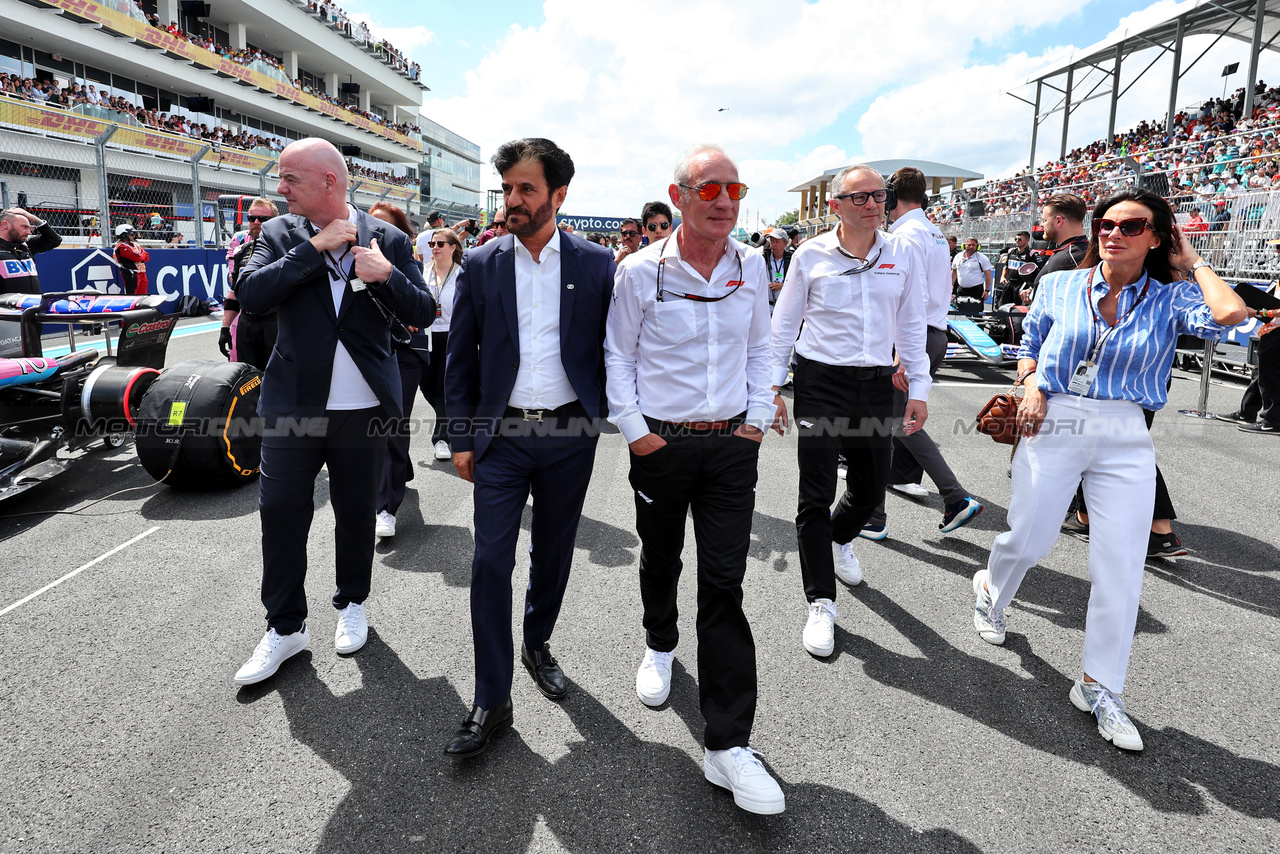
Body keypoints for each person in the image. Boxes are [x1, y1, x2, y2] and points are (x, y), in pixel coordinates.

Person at [973, 187, 1245, 752]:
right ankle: (991, 590)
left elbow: (1231, 315)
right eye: (1106, 223)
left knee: (1120, 564)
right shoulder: (1059, 284)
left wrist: (1191, 261)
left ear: (1157, 236)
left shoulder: (1170, 299)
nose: (1113, 233)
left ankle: (1100, 686)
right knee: (1031, 535)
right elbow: (1030, 344)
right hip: (1055, 416)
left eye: (1131, 225)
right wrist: (1028, 385)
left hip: (1125, 431)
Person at [605, 143, 784, 815]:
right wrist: (636, 432)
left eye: (735, 189)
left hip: (732, 447)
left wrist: (759, 416)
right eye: (710, 189)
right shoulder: (639, 272)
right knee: (661, 556)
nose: (726, 201)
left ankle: (728, 745)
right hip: (662, 445)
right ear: (678, 197)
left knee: (724, 583)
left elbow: (761, 344)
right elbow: (617, 354)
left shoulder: (754, 265)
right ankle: (659, 642)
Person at [231, 138, 435, 686]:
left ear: (329, 181)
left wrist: (385, 276)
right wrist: (312, 249)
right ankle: (285, 626)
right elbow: (249, 294)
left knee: (354, 512)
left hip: (363, 408)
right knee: (280, 513)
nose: (279, 189)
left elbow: (424, 310)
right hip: (294, 407)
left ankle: (351, 603)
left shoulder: (388, 237)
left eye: (289, 179)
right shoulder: (277, 233)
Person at [443, 138, 615, 758]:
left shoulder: (598, 265)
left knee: (555, 552)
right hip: (503, 436)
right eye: (508, 188)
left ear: (558, 196)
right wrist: (459, 437)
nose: (512, 200)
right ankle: (492, 696)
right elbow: (459, 359)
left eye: (526, 189)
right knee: (490, 560)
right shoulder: (484, 263)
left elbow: (616, 350)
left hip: (570, 434)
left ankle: (537, 641)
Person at [769, 164, 929, 662]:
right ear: (834, 204)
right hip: (821, 384)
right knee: (814, 494)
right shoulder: (810, 254)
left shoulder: (902, 251)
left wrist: (919, 386)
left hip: (877, 383)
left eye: (878, 196)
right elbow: (784, 324)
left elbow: (912, 320)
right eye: (859, 197)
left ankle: (839, 540)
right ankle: (820, 601)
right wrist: (771, 387)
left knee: (869, 487)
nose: (872, 204)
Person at [864, 166, 982, 539]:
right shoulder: (931, 233)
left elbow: (905, 296)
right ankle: (882, 510)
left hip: (908, 338)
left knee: (889, 425)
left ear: (892, 196)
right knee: (892, 425)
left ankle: (947, 498)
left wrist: (900, 351)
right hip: (932, 333)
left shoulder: (905, 236)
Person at [367, 202, 433, 539]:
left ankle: (385, 508)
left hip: (404, 353)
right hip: (365, 354)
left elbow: (424, 307)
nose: (374, 233)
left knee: (390, 426)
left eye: (384, 228)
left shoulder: (408, 264)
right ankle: (399, 468)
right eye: (370, 225)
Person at [220, 198, 279, 368]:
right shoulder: (241, 247)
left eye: (263, 219)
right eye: (251, 218)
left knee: (277, 379)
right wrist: (225, 328)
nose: (256, 223)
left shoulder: (287, 247)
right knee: (244, 375)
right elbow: (234, 288)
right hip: (247, 322)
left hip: (277, 322)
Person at [1026, 193, 1089, 305]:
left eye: (1044, 220)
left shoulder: (1068, 258)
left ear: (1058, 221)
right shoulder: (1077, 251)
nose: (1042, 225)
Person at [0, 207, 62, 294]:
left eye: (29, 228)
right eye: (24, 227)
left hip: (32, 305)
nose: (29, 232)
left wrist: (31, 217)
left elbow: (54, 240)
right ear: (5, 224)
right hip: (7, 306)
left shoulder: (25, 246)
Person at [951, 237, 991, 310]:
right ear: (964, 245)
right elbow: (954, 271)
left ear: (977, 246)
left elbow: (988, 275)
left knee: (976, 312)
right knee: (960, 312)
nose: (971, 247)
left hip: (976, 290)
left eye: (973, 245)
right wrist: (951, 285)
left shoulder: (982, 258)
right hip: (961, 290)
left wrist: (987, 290)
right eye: (969, 245)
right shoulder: (958, 256)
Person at [997, 231, 1034, 307]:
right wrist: (1003, 276)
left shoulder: (1031, 253)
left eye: (1020, 239)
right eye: (1016, 239)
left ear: (1027, 240)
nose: (1017, 241)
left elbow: (1037, 269)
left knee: (1019, 307)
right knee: (1003, 305)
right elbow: (1006, 266)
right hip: (1010, 282)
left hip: (1022, 284)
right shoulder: (1011, 251)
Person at [113, 224, 150, 295]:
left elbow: (147, 257)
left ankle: (141, 307)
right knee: (132, 295)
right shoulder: (121, 247)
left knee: (143, 296)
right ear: (124, 235)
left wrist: (140, 256)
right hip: (132, 274)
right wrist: (141, 256)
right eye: (131, 234)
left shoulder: (135, 245)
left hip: (142, 273)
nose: (133, 236)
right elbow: (137, 258)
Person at [761, 225, 791, 310]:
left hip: (783, 307)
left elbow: (797, 282)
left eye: (777, 242)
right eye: (772, 241)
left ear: (785, 243)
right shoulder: (764, 258)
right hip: (765, 306)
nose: (773, 245)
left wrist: (782, 285)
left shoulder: (791, 259)